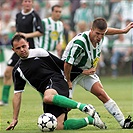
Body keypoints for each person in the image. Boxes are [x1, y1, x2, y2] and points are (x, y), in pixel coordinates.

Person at [6, 34, 106, 130]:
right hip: (48, 92)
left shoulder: (40, 53)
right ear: (13, 50)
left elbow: (61, 64)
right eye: (18, 48)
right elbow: (17, 95)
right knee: (59, 126)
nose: (22, 50)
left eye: (23, 46)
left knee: (47, 97)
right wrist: (15, 119)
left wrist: (82, 71)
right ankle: (91, 120)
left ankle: (84, 107)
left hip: (57, 82)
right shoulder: (17, 70)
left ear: (28, 44)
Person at [62, 17, 133, 129]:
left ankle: (124, 122)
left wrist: (123, 31)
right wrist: (69, 81)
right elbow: (67, 64)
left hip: (86, 72)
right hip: (70, 73)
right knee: (66, 107)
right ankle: (89, 117)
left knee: (102, 94)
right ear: (91, 29)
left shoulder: (101, 34)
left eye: (102, 34)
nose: (100, 37)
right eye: (97, 34)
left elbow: (107, 30)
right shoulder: (80, 43)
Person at [0, 0, 44, 106]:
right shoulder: (18, 15)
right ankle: (4, 100)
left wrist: (26, 36)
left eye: (30, 1)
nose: (28, 3)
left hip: (31, 49)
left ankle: (46, 98)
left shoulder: (35, 15)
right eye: (26, 1)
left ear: (32, 3)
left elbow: (40, 32)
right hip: (19, 49)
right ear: (22, 3)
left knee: (37, 76)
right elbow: (18, 32)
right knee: (7, 72)